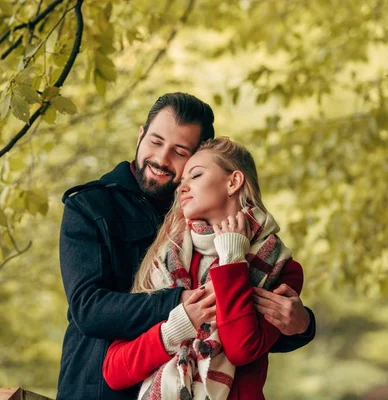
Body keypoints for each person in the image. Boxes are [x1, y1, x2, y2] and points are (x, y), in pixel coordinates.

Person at [57, 93, 315, 400]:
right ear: (140, 135)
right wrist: (180, 306)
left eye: (180, 153)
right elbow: (88, 309)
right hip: (99, 390)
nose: (162, 159)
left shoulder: (205, 214)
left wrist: (302, 325)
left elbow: (243, 332)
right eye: (155, 141)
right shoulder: (91, 206)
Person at [103, 137, 301, 399]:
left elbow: (241, 348)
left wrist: (232, 255)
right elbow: (114, 370)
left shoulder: (280, 268)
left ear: (233, 182)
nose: (181, 188)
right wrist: (177, 328)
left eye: (195, 175)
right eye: (181, 181)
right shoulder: (164, 261)